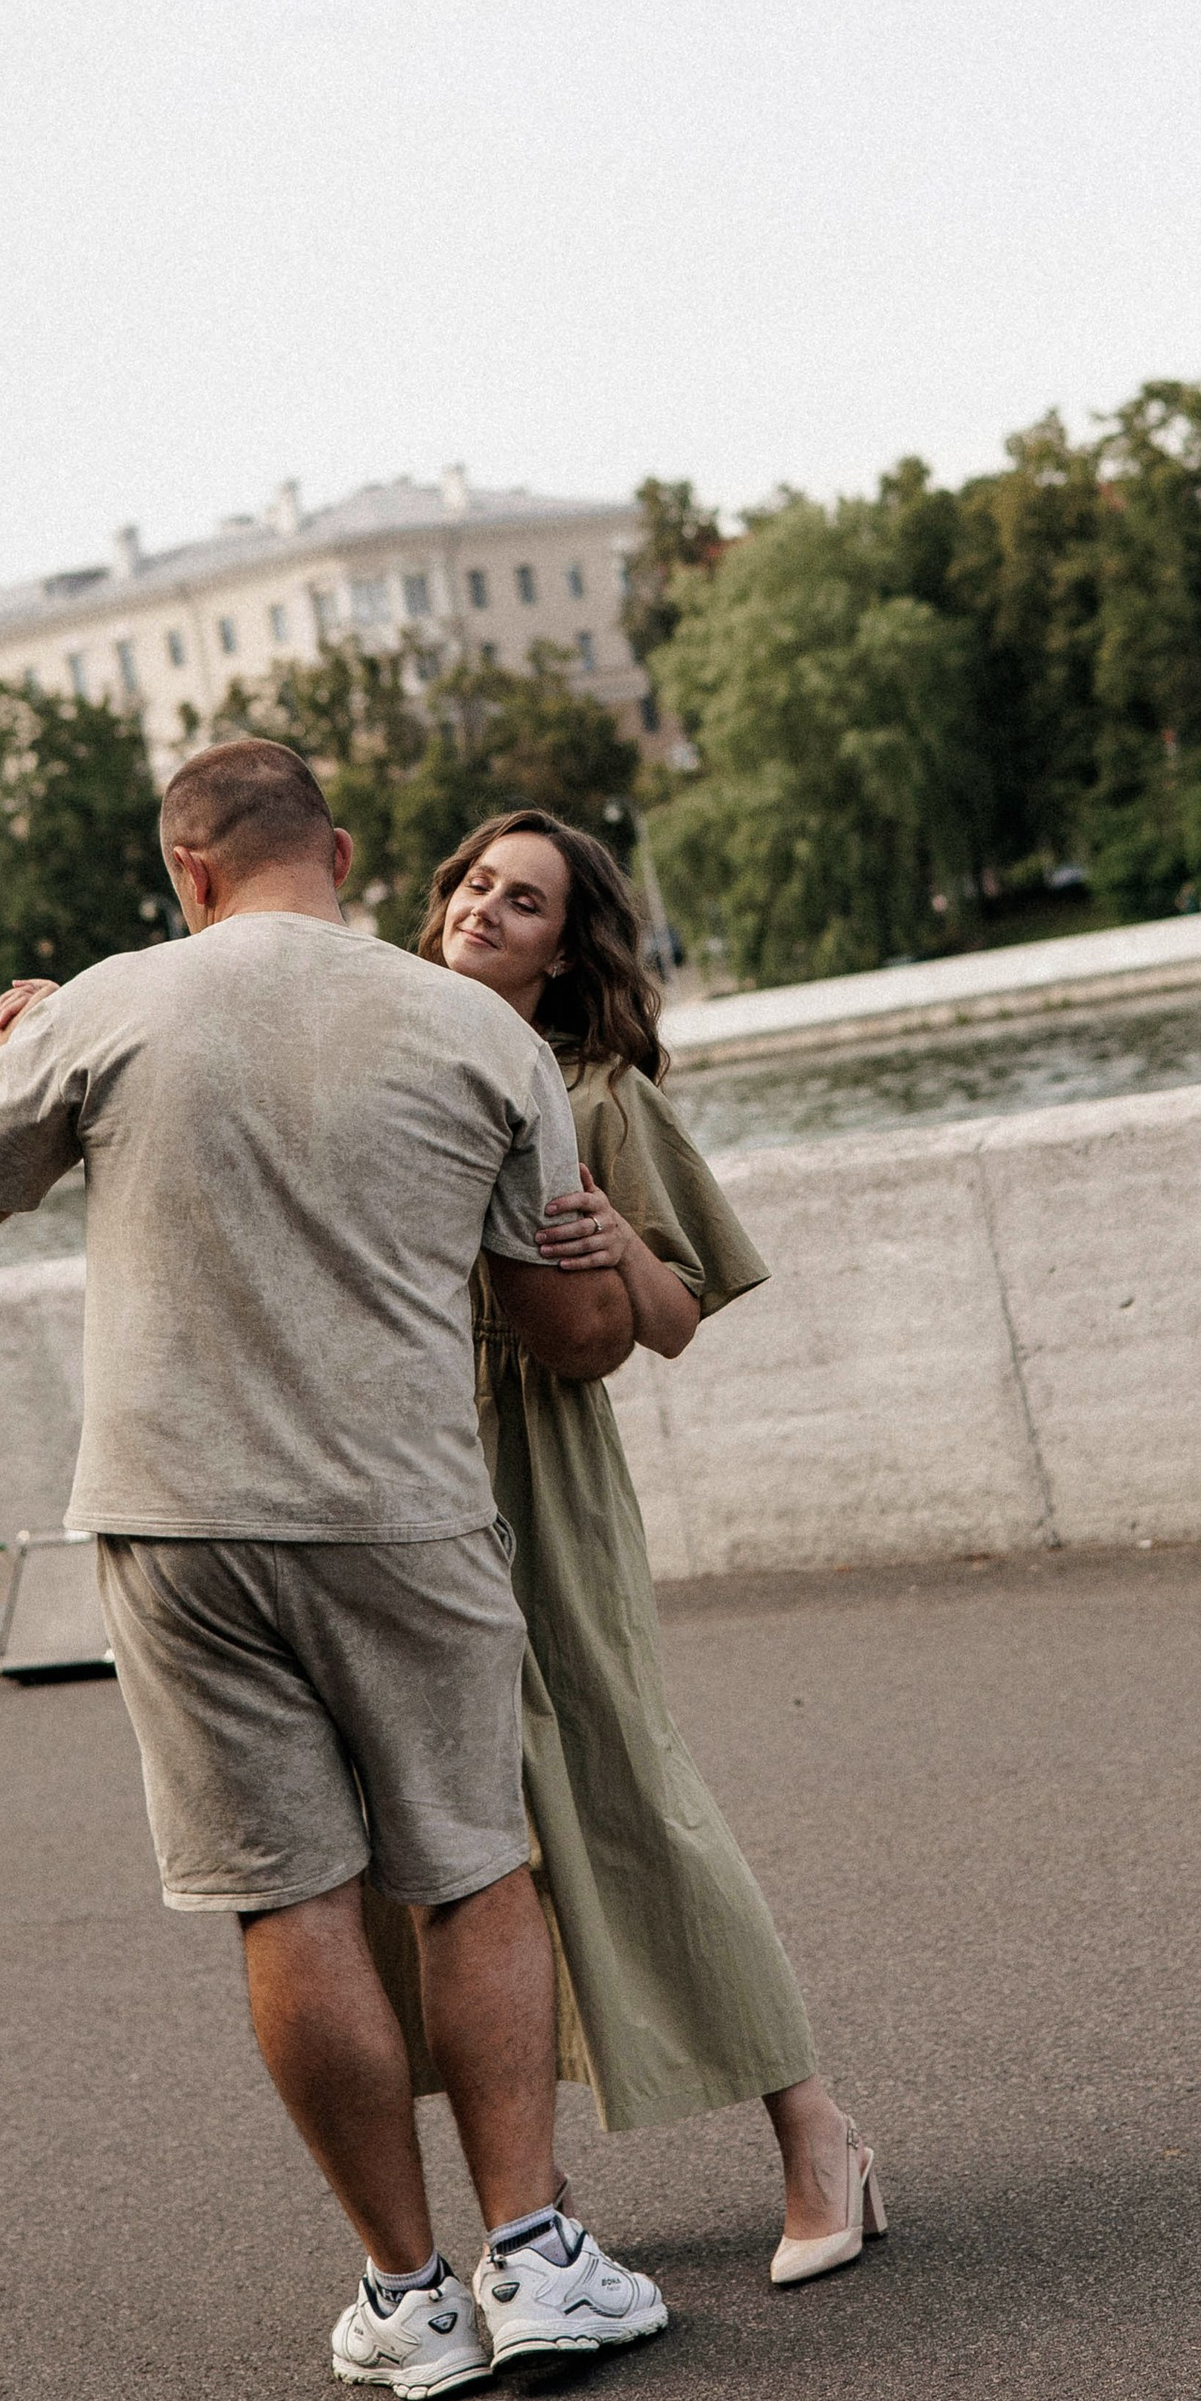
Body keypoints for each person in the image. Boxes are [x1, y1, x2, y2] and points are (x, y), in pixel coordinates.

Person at [0, 736, 673, 2401]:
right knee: (472, 1867)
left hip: (176, 1521)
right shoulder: (474, 1028)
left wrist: (18, 1055)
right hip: (402, 1509)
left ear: (186, 869)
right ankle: (534, 2257)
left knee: (289, 1892)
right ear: (340, 849)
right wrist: (612, 1277)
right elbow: (565, 1332)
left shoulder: (111, 1003)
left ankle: (405, 2293)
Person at [404, 808, 884, 2290]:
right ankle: (530, 2205)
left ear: (566, 949)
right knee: (470, 1835)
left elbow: (674, 1324)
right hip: (403, 1471)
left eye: (526, 901)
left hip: (540, 1467)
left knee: (628, 1788)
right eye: (477, 884)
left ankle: (820, 2137)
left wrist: (611, 1238)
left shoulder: (593, 1089)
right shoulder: (388, 1059)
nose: (488, 909)